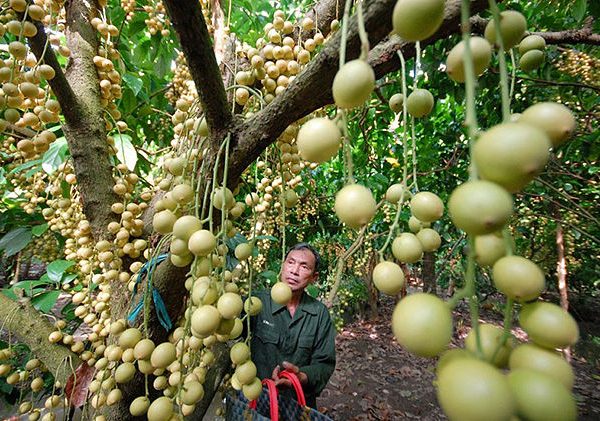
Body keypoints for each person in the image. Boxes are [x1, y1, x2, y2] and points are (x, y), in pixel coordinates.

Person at [249, 243, 336, 409]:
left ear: (314, 277)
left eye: (304, 267)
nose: (294, 271)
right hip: (258, 400)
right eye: (290, 262)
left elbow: (324, 365)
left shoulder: (319, 314)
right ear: (283, 266)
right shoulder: (257, 302)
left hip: (297, 404)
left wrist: (301, 376)